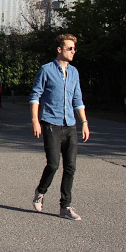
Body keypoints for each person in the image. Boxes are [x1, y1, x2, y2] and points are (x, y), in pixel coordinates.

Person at [30, 33, 90, 221]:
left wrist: (84, 122)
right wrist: (35, 120)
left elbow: (77, 99)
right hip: (51, 123)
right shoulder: (46, 70)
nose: (73, 51)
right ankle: (41, 191)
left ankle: (65, 207)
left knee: (70, 167)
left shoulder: (74, 72)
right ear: (60, 49)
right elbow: (35, 96)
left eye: (74, 48)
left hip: (70, 124)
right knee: (54, 164)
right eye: (70, 48)